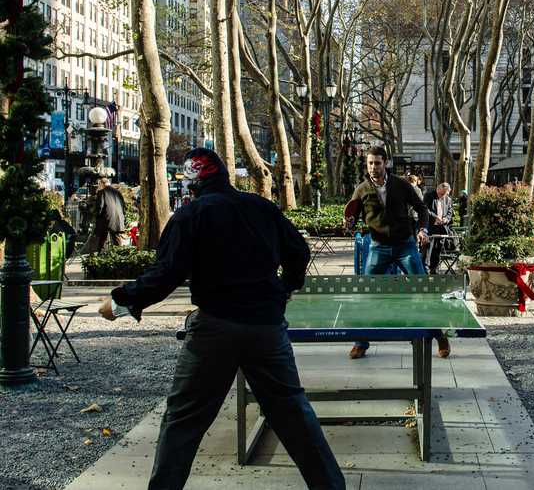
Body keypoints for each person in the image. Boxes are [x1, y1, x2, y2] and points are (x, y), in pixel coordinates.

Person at [98, 148, 345, 490]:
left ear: (192, 181)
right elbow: (299, 252)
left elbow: (165, 274)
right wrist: (284, 289)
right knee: (293, 413)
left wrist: (122, 301)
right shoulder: (262, 207)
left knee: (184, 419)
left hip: (214, 328)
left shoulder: (191, 215)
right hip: (266, 327)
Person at [346, 147, 450, 359]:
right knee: (366, 294)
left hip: (405, 246)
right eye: (370, 163)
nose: (373, 167)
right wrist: (348, 223)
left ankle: (440, 336)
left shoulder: (401, 185)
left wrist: (423, 229)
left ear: (386, 163)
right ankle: (361, 342)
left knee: (422, 291)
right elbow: (352, 218)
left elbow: (421, 209)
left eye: (377, 163)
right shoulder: (362, 189)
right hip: (378, 247)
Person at [421, 182, 453, 275]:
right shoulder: (429, 196)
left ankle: (434, 270)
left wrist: (446, 219)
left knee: (437, 249)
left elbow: (450, 212)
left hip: (441, 228)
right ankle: (424, 271)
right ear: (438, 189)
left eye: (445, 194)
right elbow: (425, 209)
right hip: (430, 226)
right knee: (427, 250)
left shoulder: (448, 199)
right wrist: (435, 217)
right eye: (441, 194)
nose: (442, 196)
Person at [94, 177, 126, 251]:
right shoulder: (117, 192)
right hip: (118, 218)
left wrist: (96, 216)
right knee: (117, 239)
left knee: (102, 238)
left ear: (102, 184)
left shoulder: (101, 192)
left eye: (99, 184)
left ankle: (100, 255)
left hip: (106, 219)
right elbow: (123, 205)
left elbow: (100, 207)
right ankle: (119, 255)